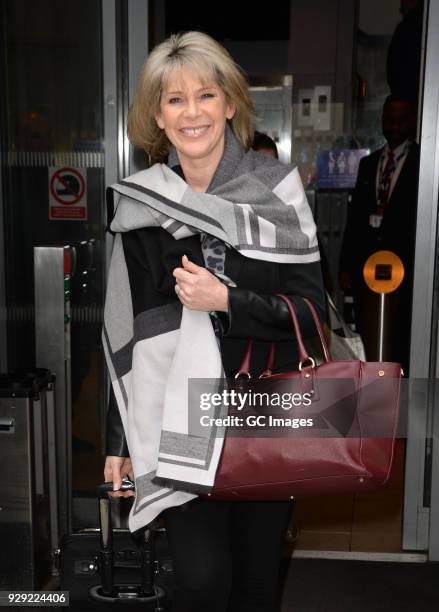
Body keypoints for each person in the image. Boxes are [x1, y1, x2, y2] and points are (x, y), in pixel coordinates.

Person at [103, 31, 325, 612]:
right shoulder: (140, 205)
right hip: (180, 414)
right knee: (202, 582)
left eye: (205, 95)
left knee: (255, 585)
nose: (192, 112)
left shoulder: (276, 192)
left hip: (267, 412)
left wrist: (228, 302)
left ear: (230, 104)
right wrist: (118, 440)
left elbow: (310, 319)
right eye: (174, 100)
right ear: (157, 114)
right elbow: (130, 332)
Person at [340, 94, 420, 371]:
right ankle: (369, 386)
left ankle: (401, 391)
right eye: (389, 118)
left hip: (406, 269)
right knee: (367, 329)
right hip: (366, 266)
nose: (395, 124)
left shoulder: (423, 164)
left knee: (401, 335)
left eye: (401, 118)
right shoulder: (369, 163)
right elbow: (354, 219)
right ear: (382, 121)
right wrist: (346, 266)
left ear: (412, 121)